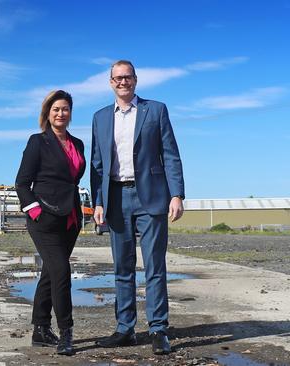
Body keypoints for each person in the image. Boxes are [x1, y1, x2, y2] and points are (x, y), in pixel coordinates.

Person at [90, 60, 184, 355]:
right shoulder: (100, 117)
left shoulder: (156, 110)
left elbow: (170, 154)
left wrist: (177, 194)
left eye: (127, 77)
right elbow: (97, 164)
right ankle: (125, 328)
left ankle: (158, 328)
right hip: (116, 198)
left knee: (155, 266)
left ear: (136, 80)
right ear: (110, 82)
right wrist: (98, 201)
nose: (123, 82)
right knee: (122, 267)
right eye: (117, 78)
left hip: (151, 198)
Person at [15, 90, 86, 356]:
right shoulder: (38, 141)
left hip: (70, 218)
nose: (61, 113)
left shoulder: (77, 143)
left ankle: (40, 329)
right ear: (48, 113)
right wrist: (35, 211)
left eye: (65, 109)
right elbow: (22, 182)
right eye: (56, 109)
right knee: (62, 272)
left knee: (51, 273)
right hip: (44, 218)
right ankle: (66, 333)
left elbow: (74, 178)